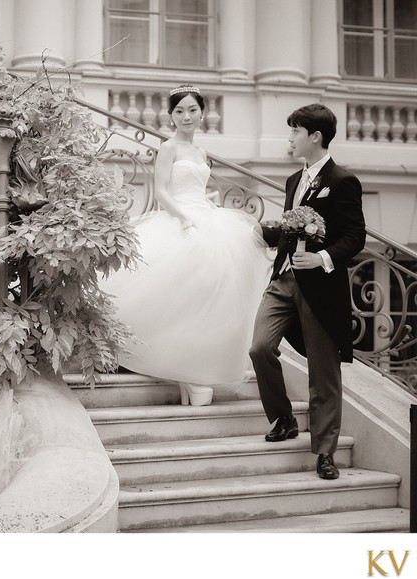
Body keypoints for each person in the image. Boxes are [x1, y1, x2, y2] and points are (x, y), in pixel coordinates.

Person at [102, 85, 272, 406]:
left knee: (210, 291)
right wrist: (183, 218)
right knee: (178, 293)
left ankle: (193, 371)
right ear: (171, 117)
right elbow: (162, 191)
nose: (186, 116)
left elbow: (197, 187)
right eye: (179, 111)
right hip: (178, 217)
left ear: (201, 113)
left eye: (192, 110)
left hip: (204, 215)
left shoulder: (201, 153)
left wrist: (205, 207)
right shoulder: (168, 148)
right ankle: (187, 373)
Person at [249, 103, 366, 480]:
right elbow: (292, 227)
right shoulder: (291, 181)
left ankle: (325, 452)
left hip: (320, 288)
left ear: (314, 136)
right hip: (283, 280)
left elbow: (355, 237)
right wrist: (265, 232)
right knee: (260, 347)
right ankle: (284, 418)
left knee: (323, 371)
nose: (289, 137)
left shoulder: (343, 180)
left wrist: (323, 259)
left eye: (294, 131)